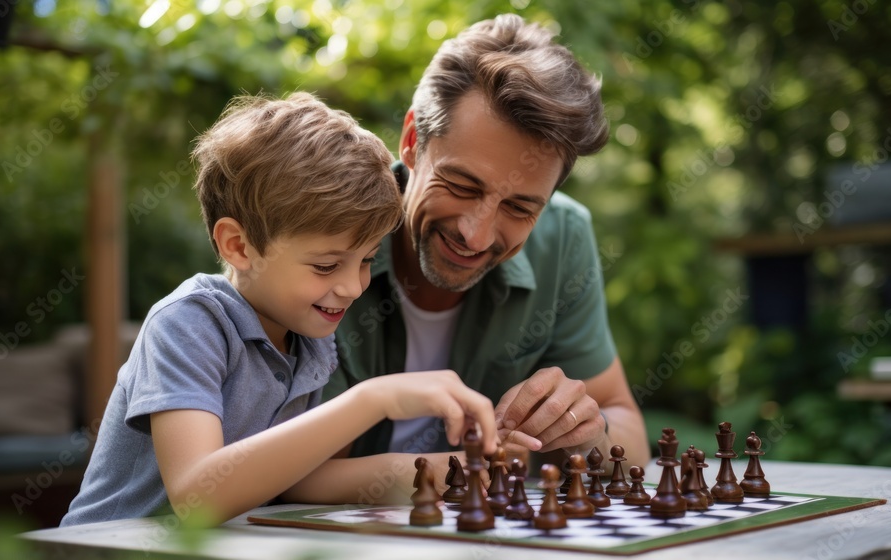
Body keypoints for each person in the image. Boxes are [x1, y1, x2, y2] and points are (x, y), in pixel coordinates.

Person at [60, 93, 499, 527]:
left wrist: (454, 468)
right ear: (238, 246)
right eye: (326, 265)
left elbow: (300, 482)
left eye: (366, 260)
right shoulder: (190, 323)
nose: (352, 286)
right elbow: (197, 497)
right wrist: (372, 399)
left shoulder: (310, 341)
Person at [322, 14, 650, 475]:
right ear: (413, 141)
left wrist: (587, 434)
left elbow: (628, 434)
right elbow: (260, 463)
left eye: (519, 208)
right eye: (461, 185)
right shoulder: (319, 227)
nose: (475, 235)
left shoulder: (563, 237)